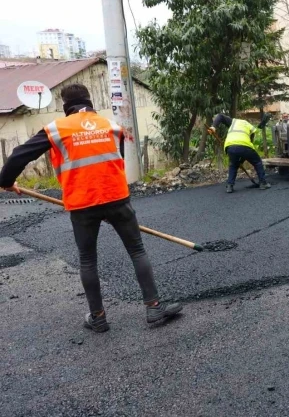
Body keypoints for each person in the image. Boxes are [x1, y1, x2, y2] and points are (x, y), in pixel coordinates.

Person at [0, 84, 182, 332]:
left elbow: (18, 155)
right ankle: (153, 307)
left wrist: (6, 182)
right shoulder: (112, 126)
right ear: (89, 101)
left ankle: (98, 317)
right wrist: (108, 207)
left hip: (83, 204)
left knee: (88, 260)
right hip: (117, 198)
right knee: (137, 251)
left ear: (65, 106)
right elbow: (112, 161)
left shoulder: (55, 129)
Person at [208, 113, 271, 193]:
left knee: (233, 165)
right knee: (257, 162)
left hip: (230, 146)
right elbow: (247, 148)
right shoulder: (249, 126)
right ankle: (263, 183)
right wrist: (242, 158)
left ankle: (230, 186)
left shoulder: (233, 122)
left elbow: (220, 116)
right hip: (245, 146)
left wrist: (213, 127)